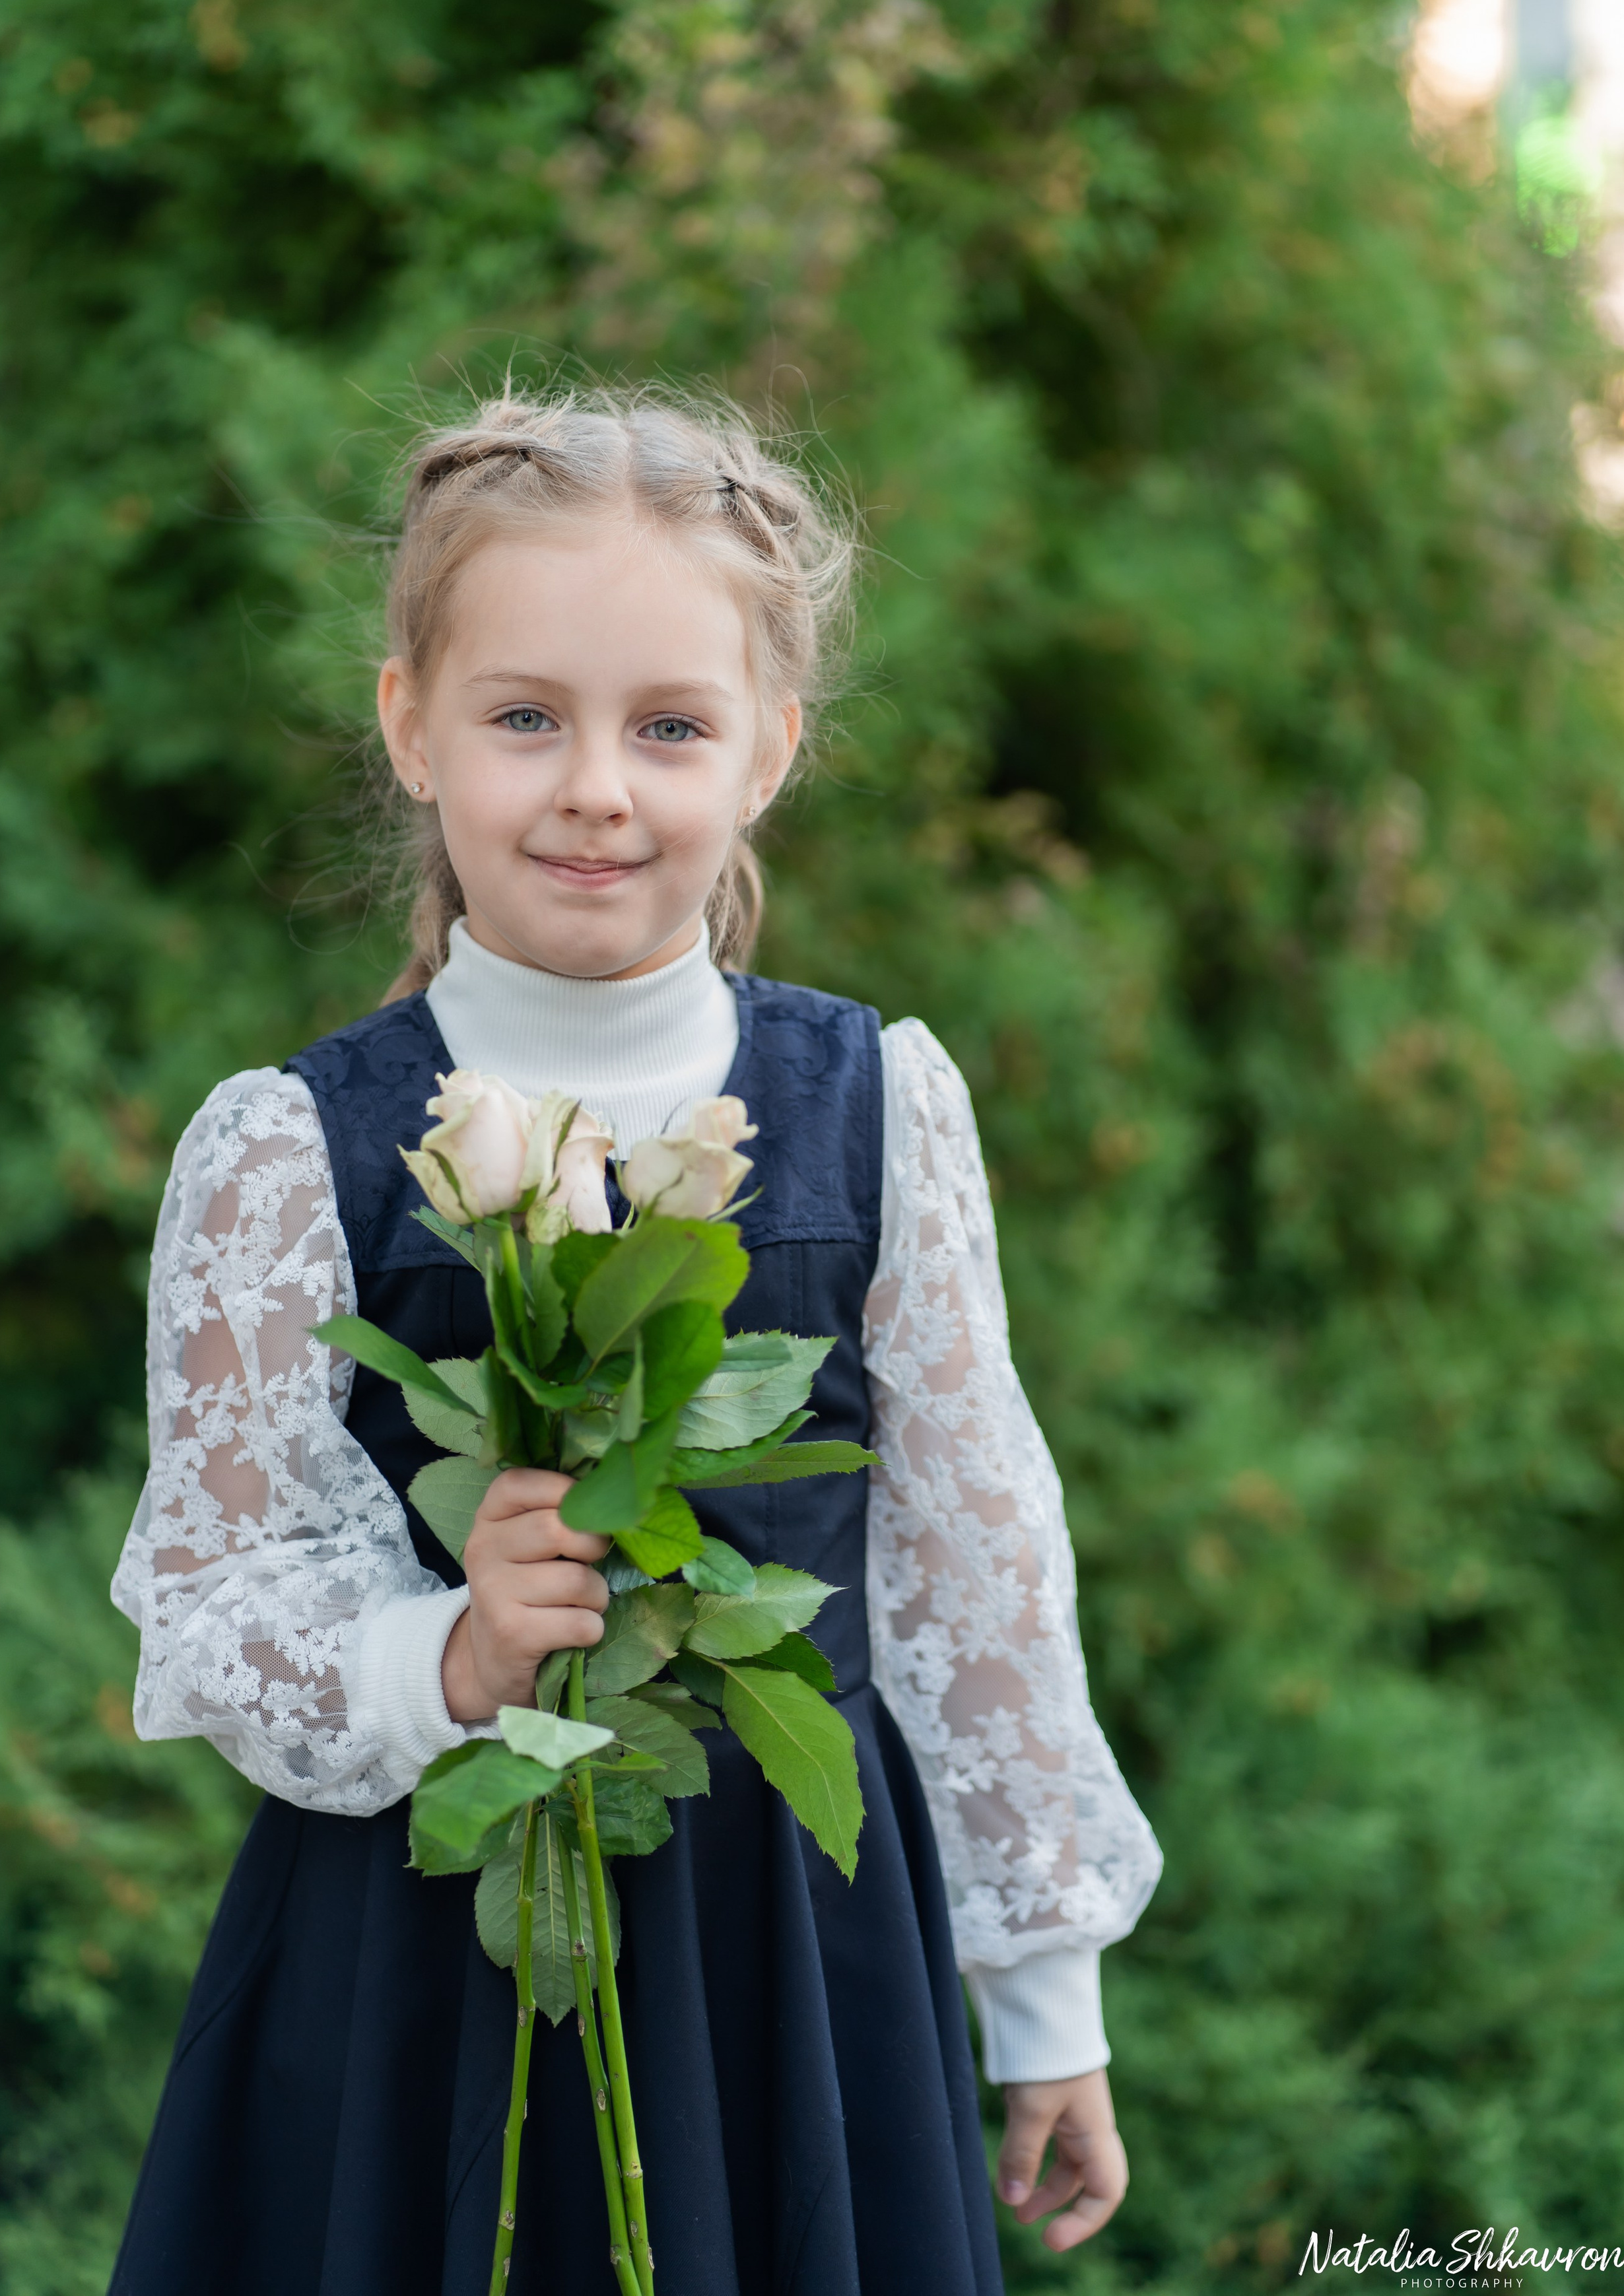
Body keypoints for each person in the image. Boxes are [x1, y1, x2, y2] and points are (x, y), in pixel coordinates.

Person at [108, 388, 1162, 2296]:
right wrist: (449, 1642)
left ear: (767, 752)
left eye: (668, 726)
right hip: (417, 1958)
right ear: (412, 727)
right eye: (527, 717)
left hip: (794, 1963)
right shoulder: (291, 1151)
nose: (597, 785)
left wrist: (1045, 1992)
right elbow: (214, 1595)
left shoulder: (876, 1108)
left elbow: (974, 1564)